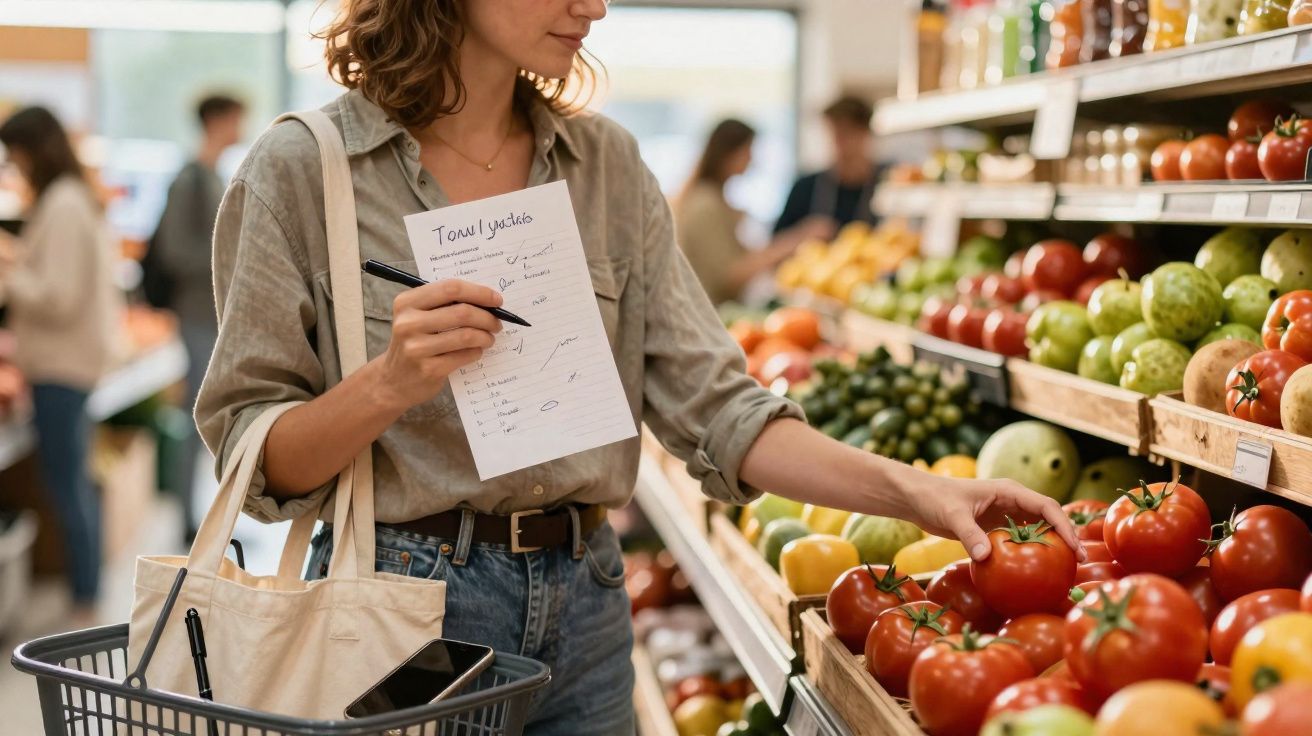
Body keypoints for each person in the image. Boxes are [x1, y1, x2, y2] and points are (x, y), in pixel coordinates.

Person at [196, 2, 1082, 733]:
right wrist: (387, 384)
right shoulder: (305, 173)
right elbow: (254, 461)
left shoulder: (607, 168)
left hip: (585, 602)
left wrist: (920, 492)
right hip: (402, 613)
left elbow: (721, 410)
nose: (594, 7)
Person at [0, 107, 124, 622]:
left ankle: (85, 594)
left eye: (15, 154)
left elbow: (59, 294)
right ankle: (86, 588)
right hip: (65, 364)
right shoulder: (71, 199)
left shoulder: (65, 203)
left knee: (68, 481)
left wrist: (10, 275)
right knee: (71, 478)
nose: (14, 165)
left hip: (62, 367)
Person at [154, 93, 245, 541]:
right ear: (217, 119)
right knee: (200, 415)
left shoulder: (211, 175)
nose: (241, 126)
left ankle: (208, 519)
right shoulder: (190, 177)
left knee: (213, 415)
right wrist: (228, 259)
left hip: (211, 316)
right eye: (235, 118)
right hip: (196, 315)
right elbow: (174, 250)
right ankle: (189, 521)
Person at [674, 119, 826, 305]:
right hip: (711, 315)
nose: (752, 159)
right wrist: (797, 239)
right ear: (729, 153)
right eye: (748, 151)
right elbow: (728, 277)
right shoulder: (705, 205)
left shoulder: (713, 201)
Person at [774, 95, 882, 236]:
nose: (838, 143)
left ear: (865, 133)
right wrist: (802, 234)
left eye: (846, 134)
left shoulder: (887, 183)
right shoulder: (806, 188)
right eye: (833, 134)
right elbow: (770, 250)